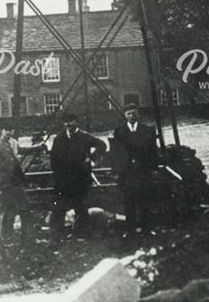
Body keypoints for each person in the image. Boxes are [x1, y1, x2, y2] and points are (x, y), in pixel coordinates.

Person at [49, 111, 106, 237]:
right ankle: (56, 233)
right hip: (63, 179)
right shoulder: (59, 138)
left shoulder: (84, 137)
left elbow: (102, 145)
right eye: (66, 122)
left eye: (71, 121)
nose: (68, 124)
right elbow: (53, 158)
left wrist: (91, 159)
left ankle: (81, 233)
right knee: (59, 206)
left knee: (80, 206)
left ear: (77, 122)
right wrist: (57, 173)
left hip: (79, 179)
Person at [113, 102, 158, 236]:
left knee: (144, 199)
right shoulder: (119, 131)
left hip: (143, 170)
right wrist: (116, 171)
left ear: (138, 114)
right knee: (128, 201)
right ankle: (130, 229)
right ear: (125, 116)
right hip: (127, 172)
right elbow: (116, 153)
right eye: (129, 114)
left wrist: (153, 168)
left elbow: (152, 151)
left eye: (134, 113)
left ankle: (146, 228)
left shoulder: (147, 130)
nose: (131, 116)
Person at [0, 126, 31, 242]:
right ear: (1, 131)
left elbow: (21, 150)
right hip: (5, 184)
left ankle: (26, 236)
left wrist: (38, 147)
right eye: (6, 130)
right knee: (8, 210)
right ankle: (6, 237)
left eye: (11, 130)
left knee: (26, 206)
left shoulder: (13, 142)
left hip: (16, 182)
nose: (9, 133)